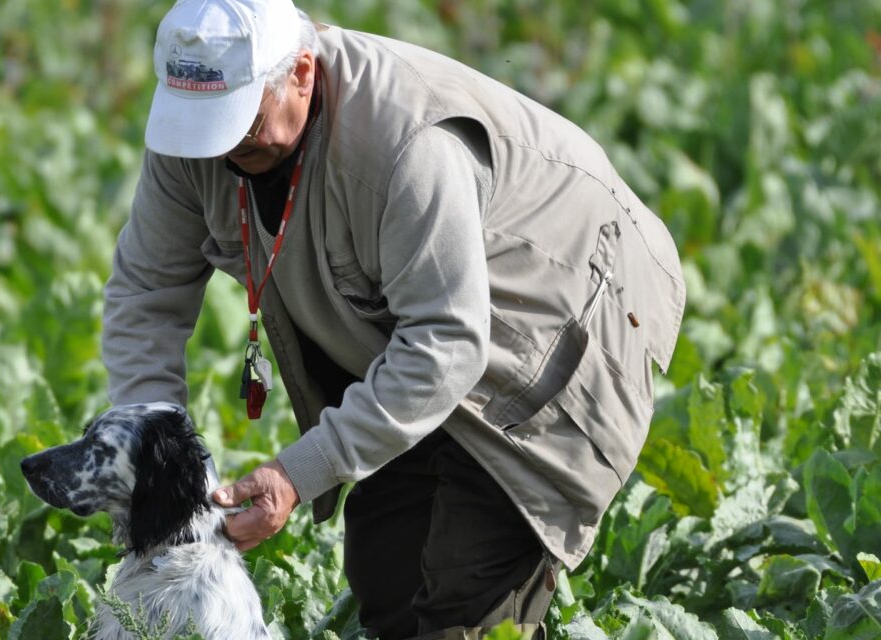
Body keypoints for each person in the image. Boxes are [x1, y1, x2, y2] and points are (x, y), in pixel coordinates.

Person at [101, 0, 686, 637]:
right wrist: (147, 455)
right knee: (390, 584)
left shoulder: (406, 145)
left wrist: (298, 472)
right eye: (208, 125)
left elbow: (449, 341)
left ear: (301, 71)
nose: (225, 144)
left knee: (461, 610)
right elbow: (145, 292)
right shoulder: (198, 138)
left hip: (560, 311)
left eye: (241, 120)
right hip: (411, 327)